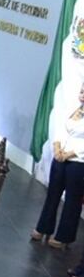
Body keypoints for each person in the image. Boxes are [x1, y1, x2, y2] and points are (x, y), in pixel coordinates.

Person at [34, 83, 84, 248]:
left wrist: (68, 154)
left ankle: (63, 237)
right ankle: (43, 227)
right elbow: (61, 129)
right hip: (60, 157)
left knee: (72, 201)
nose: (82, 94)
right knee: (52, 195)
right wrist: (56, 147)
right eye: (82, 90)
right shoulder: (74, 109)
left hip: (77, 162)